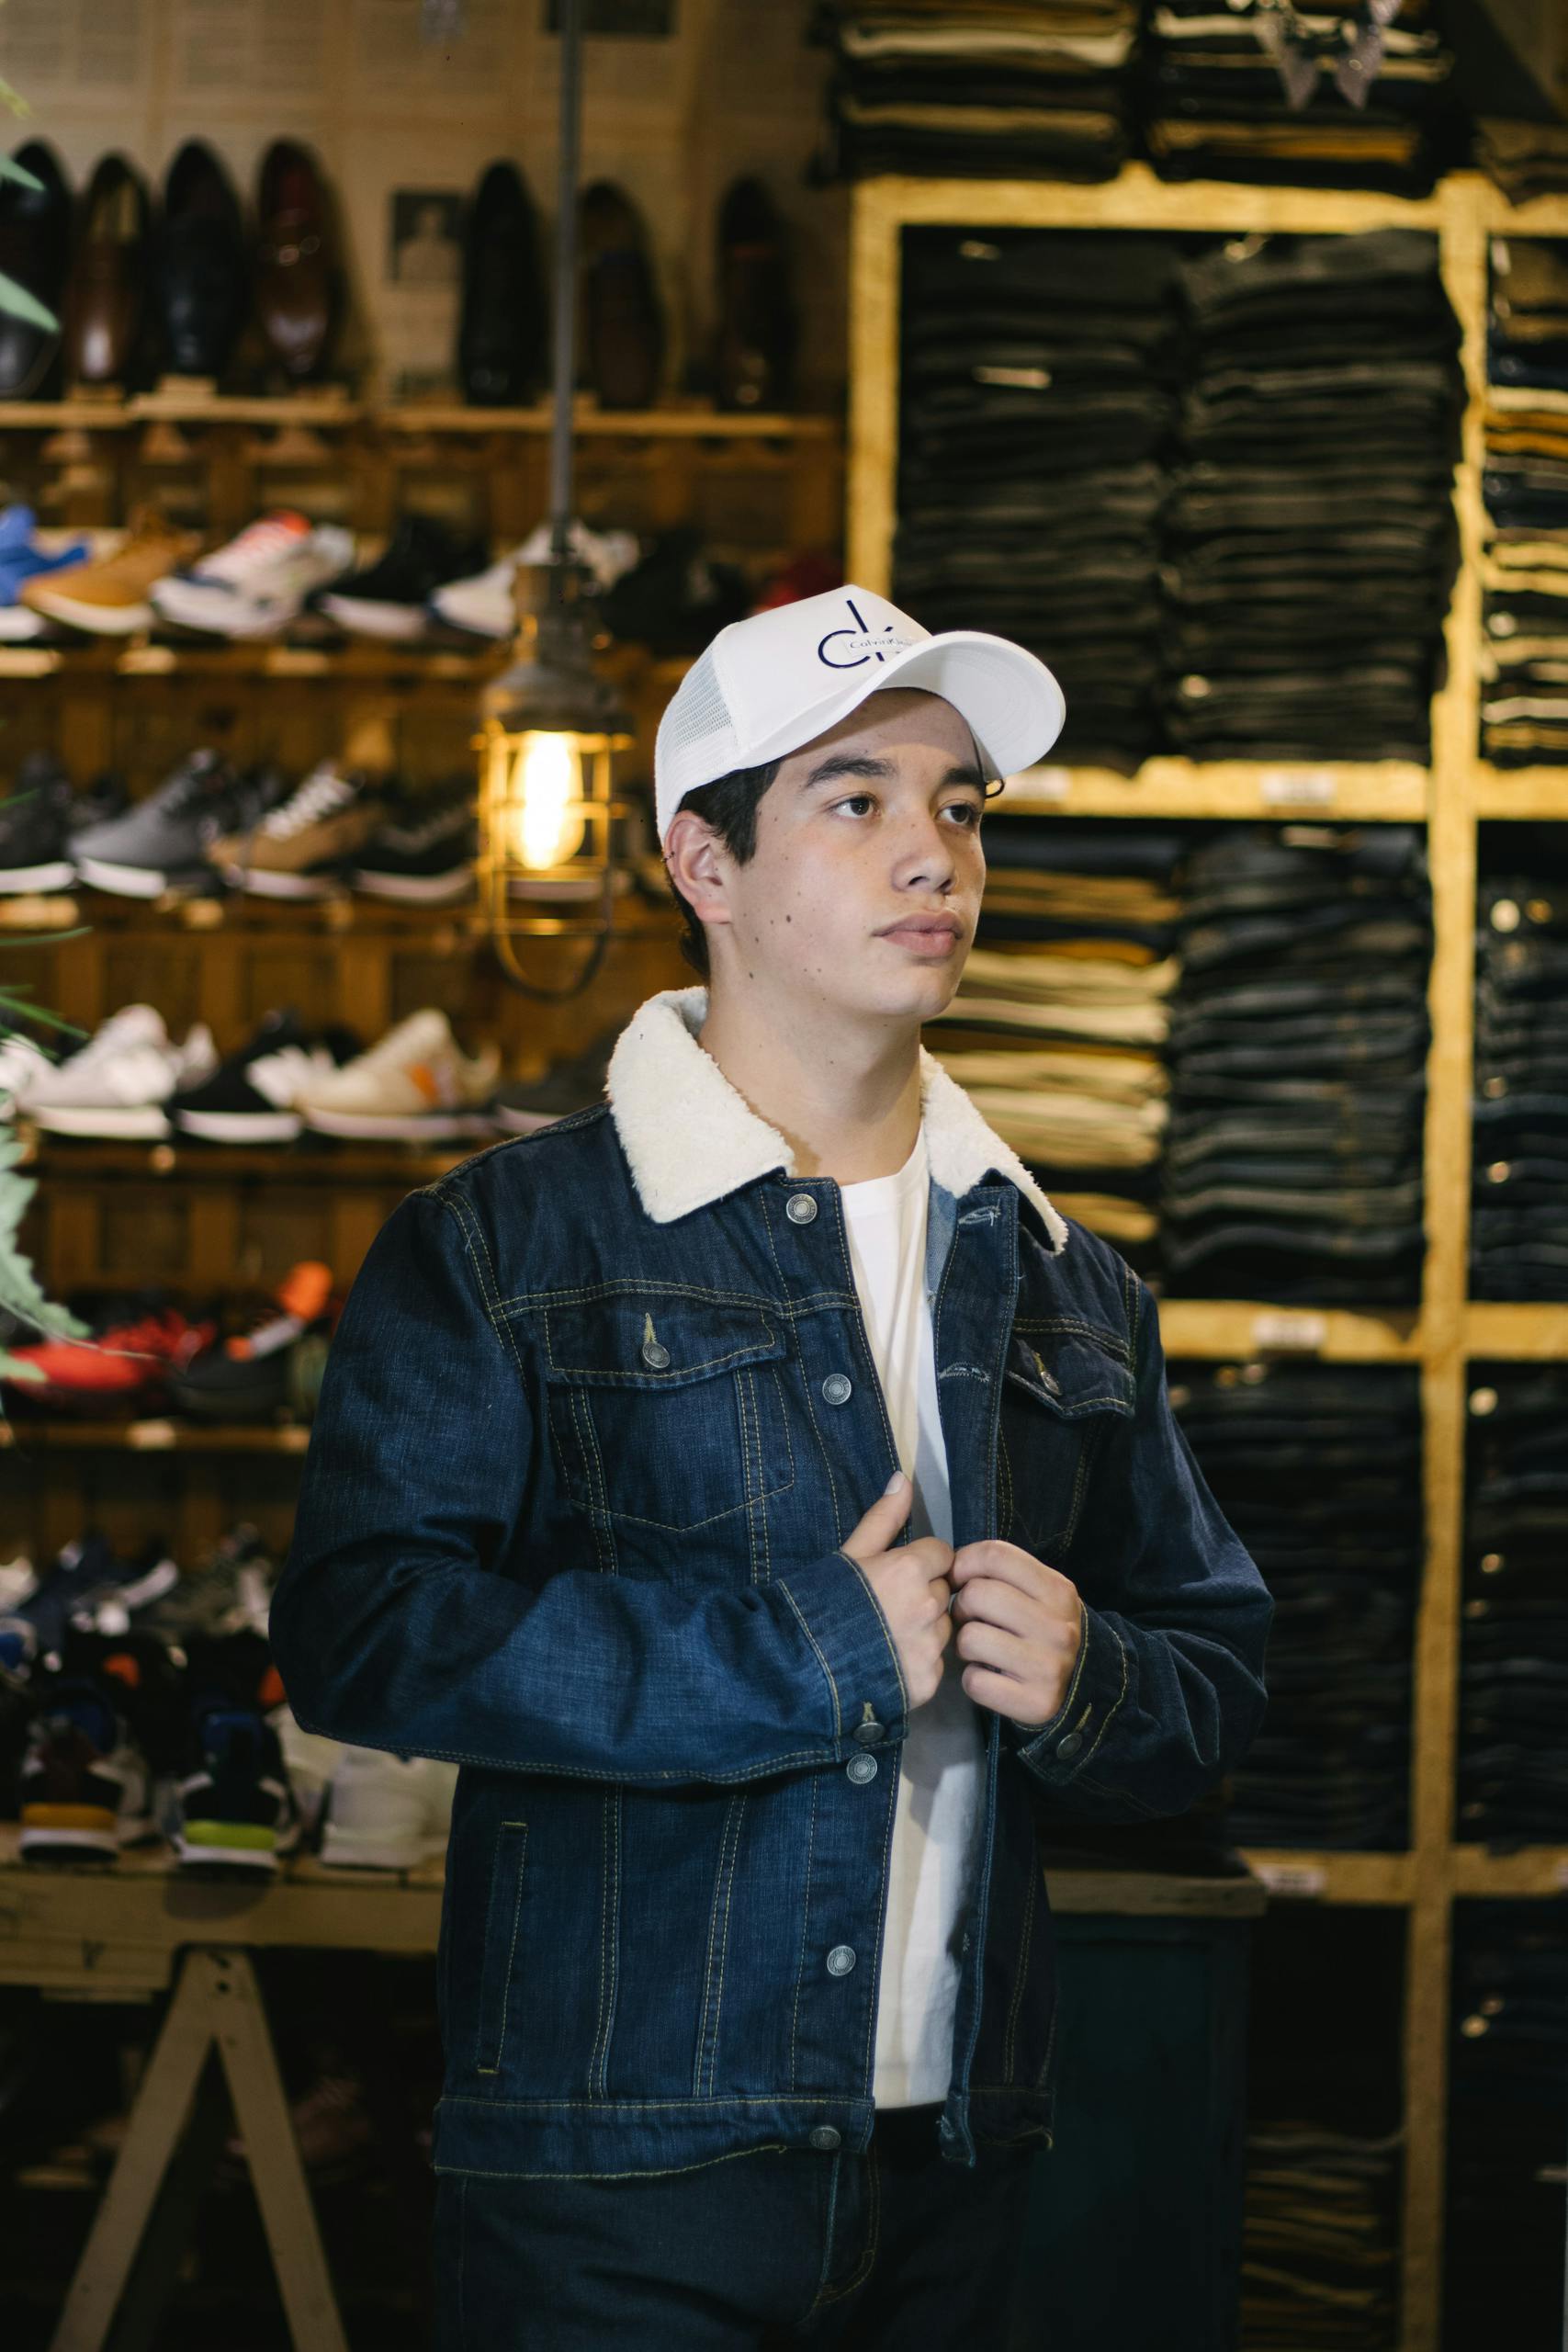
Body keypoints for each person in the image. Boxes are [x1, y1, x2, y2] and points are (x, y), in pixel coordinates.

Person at [271, 582, 1274, 2348]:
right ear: (704, 865)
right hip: (617, 2180)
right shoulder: (506, 1246)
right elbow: (365, 1631)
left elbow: (1215, 1679)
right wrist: (803, 1658)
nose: (935, 856)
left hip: (962, 2167)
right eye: (858, 797)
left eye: (963, 807)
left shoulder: (1067, 1276)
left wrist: (1092, 1677)